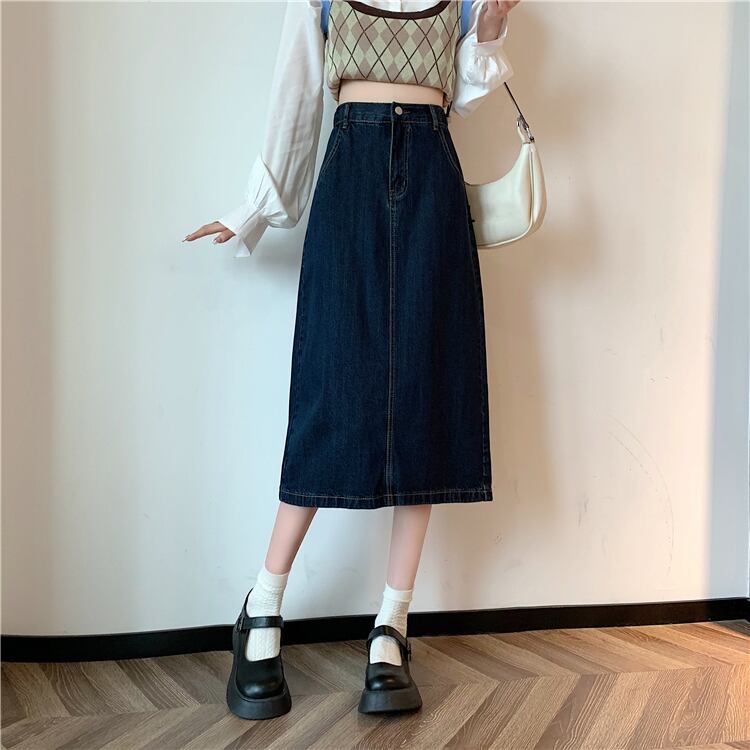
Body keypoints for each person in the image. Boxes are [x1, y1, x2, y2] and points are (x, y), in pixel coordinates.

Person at [184, 0, 519, 720]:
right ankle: (264, 602)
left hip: (433, 181)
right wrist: (253, 209)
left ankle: (391, 625)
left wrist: (490, 30)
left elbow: (462, 94)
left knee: (425, 395)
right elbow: (297, 97)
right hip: (350, 182)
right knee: (331, 392)